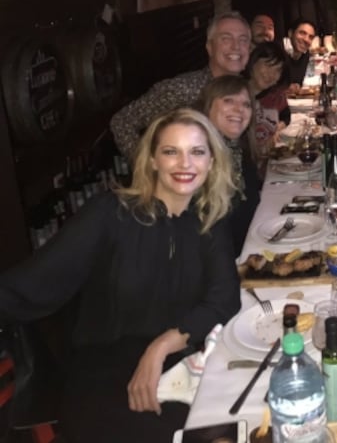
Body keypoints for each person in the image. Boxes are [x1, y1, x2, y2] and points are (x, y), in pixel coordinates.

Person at [0, 109, 241, 442]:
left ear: (212, 162)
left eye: (197, 152)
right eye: (171, 151)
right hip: (106, 375)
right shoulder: (110, 214)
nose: (185, 164)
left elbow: (224, 299)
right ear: (153, 160)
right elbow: (29, 285)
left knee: (243, 425)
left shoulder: (210, 221)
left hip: (181, 363)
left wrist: (162, 345)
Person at [111, 11, 252, 159]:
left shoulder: (244, 93)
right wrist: (152, 168)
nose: (236, 46)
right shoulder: (184, 88)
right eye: (226, 38)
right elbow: (122, 122)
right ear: (210, 47)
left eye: (243, 40)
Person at [196, 76, 260, 255]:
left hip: (245, 250)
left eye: (246, 105)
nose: (239, 109)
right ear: (208, 107)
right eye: (228, 100)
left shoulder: (238, 151)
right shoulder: (200, 158)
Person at [243, 41, 291, 163]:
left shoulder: (276, 95)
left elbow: (286, 115)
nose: (272, 74)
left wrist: (277, 127)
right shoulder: (236, 97)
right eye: (268, 65)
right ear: (253, 62)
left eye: (278, 70)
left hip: (269, 165)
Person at [285, 18, 317, 92]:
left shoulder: (306, 54)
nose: (306, 39)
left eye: (310, 37)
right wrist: (285, 88)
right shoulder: (276, 52)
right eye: (302, 33)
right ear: (290, 33)